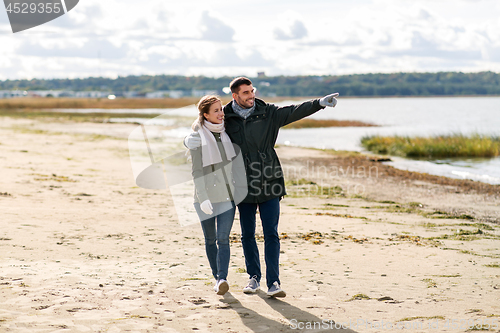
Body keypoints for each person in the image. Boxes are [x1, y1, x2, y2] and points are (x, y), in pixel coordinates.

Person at [185, 78, 339, 297]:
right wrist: (187, 139)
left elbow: (294, 111)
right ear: (235, 96)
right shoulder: (226, 116)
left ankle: (274, 282)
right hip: (242, 185)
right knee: (248, 234)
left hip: (270, 180)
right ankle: (253, 278)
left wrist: (319, 103)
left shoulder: (269, 113)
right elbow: (205, 128)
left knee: (271, 234)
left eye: (252, 91)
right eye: (246, 93)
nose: (251, 96)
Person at [189, 95, 240, 296]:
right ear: (205, 115)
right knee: (210, 239)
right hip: (205, 198)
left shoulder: (227, 132)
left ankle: (222, 278)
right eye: (216, 111)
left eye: (222, 109)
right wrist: (203, 198)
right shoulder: (196, 137)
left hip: (227, 196)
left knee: (223, 239)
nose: (221, 114)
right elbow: (197, 171)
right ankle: (216, 277)